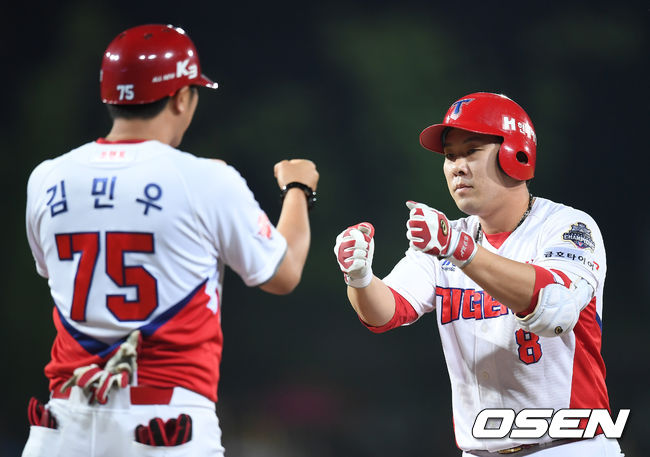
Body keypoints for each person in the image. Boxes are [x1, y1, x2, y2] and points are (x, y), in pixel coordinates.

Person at [23, 24, 319, 457]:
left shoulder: (47, 177)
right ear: (181, 97)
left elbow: (54, 274)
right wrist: (298, 189)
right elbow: (284, 272)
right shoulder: (205, 179)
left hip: (61, 424)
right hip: (164, 426)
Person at [334, 92, 624, 456]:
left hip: (568, 446)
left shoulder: (568, 227)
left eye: (471, 151)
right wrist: (359, 277)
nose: (457, 167)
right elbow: (386, 312)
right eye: (450, 155)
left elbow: (555, 308)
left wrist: (460, 249)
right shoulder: (447, 239)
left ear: (516, 154)